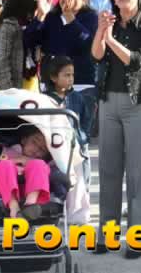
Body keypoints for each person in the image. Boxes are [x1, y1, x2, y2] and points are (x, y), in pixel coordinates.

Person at [91, 0, 141, 258]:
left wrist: (110, 39)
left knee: (137, 173)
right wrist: (101, 32)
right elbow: (97, 55)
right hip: (108, 101)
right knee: (108, 171)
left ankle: (136, 237)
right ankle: (107, 234)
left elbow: (138, 61)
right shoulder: (110, 23)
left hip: (138, 104)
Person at [43, 55, 93, 224]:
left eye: (72, 75)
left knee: (80, 180)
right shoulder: (45, 99)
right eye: (66, 75)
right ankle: (53, 210)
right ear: (53, 77)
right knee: (57, 180)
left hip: (76, 145)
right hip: (54, 147)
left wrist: (83, 137)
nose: (71, 78)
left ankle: (77, 213)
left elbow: (86, 119)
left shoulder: (77, 98)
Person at [27, 0, 98, 88]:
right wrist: (40, 16)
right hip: (51, 81)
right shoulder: (51, 16)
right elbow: (30, 40)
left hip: (80, 82)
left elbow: (88, 44)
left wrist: (69, 16)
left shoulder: (91, 17)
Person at [0, 124, 56, 219]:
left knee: (39, 164)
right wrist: (18, 160)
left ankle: (30, 205)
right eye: (34, 142)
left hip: (34, 192)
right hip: (6, 189)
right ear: (24, 140)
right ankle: (14, 207)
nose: (36, 149)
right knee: (4, 165)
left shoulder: (42, 162)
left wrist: (28, 160)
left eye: (42, 149)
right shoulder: (6, 151)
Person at [0, 0, 37, 91]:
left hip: (26, 84)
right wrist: (9, 94)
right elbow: (1, 66)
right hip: (6, 89)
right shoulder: (6, 26)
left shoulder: (27, 24)